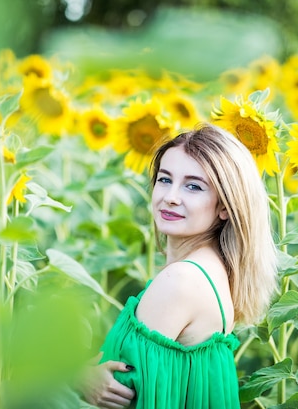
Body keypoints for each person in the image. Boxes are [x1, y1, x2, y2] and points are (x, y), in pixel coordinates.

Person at [80, 123, 278, 408]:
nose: (170, 196)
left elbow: (119, 392)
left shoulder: (181, 281)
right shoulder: (215, 272)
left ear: (224, 206)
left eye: (193, 186)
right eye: (164, 179)